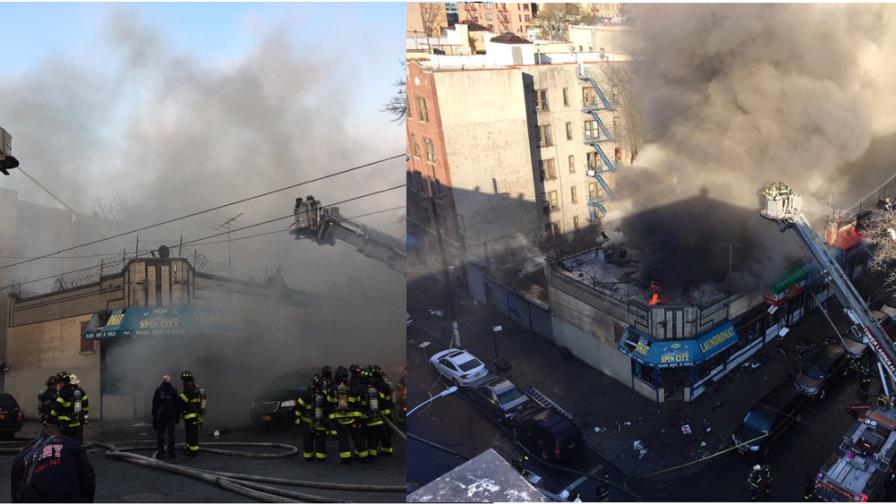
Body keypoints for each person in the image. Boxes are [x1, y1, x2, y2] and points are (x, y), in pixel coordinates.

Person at [10, 423, 95, 502]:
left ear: (41, 436)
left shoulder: (27, 450)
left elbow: (15, 476)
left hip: (34, 496)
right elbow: (88, 477)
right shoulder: (70, 444)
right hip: (65, 494)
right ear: (59, 435)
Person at [328, 366, 366, 464]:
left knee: (343, 438)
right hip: (353, 417)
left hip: (340, 419)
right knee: (357, 437)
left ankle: (345, 458)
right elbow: (358, 401)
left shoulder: (333, 389)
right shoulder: (352, 387)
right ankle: (362, 457)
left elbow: (329, 403)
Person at [297, 374, 328, 462]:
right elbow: (328, 408)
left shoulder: (306, 393)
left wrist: (297, 417)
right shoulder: (323, 394)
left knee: (308, 439)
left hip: (307, 422)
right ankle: (321, 457)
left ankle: (308, 456)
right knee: (320, 439)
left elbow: (299, 406)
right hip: (320, 422)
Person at [49, 372, 84, 441]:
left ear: (62, 383)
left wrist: (50, 418)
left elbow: (56, 408)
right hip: (77, 424)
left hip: (66, 425)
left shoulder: (63, 393)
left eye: (58, 383)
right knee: (77, 444)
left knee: (66, 444)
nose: (57, 385)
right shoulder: (76, 391)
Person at [152, 375, 180, 459]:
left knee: (160, 435)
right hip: (171, 416)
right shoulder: (173, 391)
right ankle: (171, 452)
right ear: (169, 381)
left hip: (161, 417)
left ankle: (161, 452)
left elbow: (155, 405)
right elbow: (177, 405)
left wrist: (154, 417)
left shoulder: (158, 390)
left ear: (163, 381)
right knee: (171, 434)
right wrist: (177, 416)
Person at [371, 365, 394, 456]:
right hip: (386, 412)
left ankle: (384, 451)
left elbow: (379, 399)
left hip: (382, 414)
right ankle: (387, 450)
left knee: (379, 433)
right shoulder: (383, 384)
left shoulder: (379, 386)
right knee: (386, 433)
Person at [179, 370, 202, 456]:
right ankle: (190, 448)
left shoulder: (190, 389)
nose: (182, 383)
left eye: (183, 381)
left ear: (186, 381)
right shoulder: (193, 388)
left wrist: (179, 396)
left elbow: (183, 399)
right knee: (189, 433)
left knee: (192, 433)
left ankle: (194, 451)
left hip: (191, 415)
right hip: (190, 415)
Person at [67, 374, 89, 443]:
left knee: (70, 433)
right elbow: (85, 403)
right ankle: (79, 446)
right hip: (79, 415)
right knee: (78, 432)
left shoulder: (66, 392)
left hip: (70, 416)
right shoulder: (81, 391)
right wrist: (85, 415)